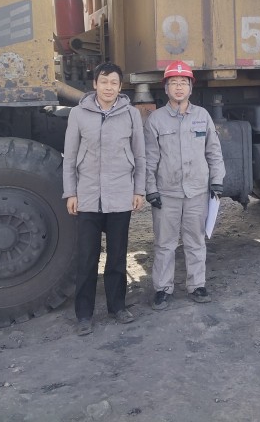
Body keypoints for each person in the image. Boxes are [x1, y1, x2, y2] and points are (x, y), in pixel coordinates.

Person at [62, 62, 146, 336]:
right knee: (87, 257)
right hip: (88, 197)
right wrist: (71, 193)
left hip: (120, 196)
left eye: (114, 83)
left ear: (120, 87)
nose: (108, 87)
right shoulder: (78, 114)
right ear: (95, 84)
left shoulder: (131, 114)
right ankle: (84, 315)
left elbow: (140, 156)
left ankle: (117, 307)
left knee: (117, 256)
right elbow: (70, 158)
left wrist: (139, 190)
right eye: (104, 81)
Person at [144, 60, 225, 310]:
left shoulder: (202, 116)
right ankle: (163, 289)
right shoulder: (156, 120)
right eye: (173, 83)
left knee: (195, 240)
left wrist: (217, 181)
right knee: (164, 244)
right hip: (166, 193)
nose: (178, 87)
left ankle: (197, 285)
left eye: (183, 82)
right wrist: (150, 189)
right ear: (165, 88)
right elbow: (149, 158)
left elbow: (213, 151)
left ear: (191, 87)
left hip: (196, 192)